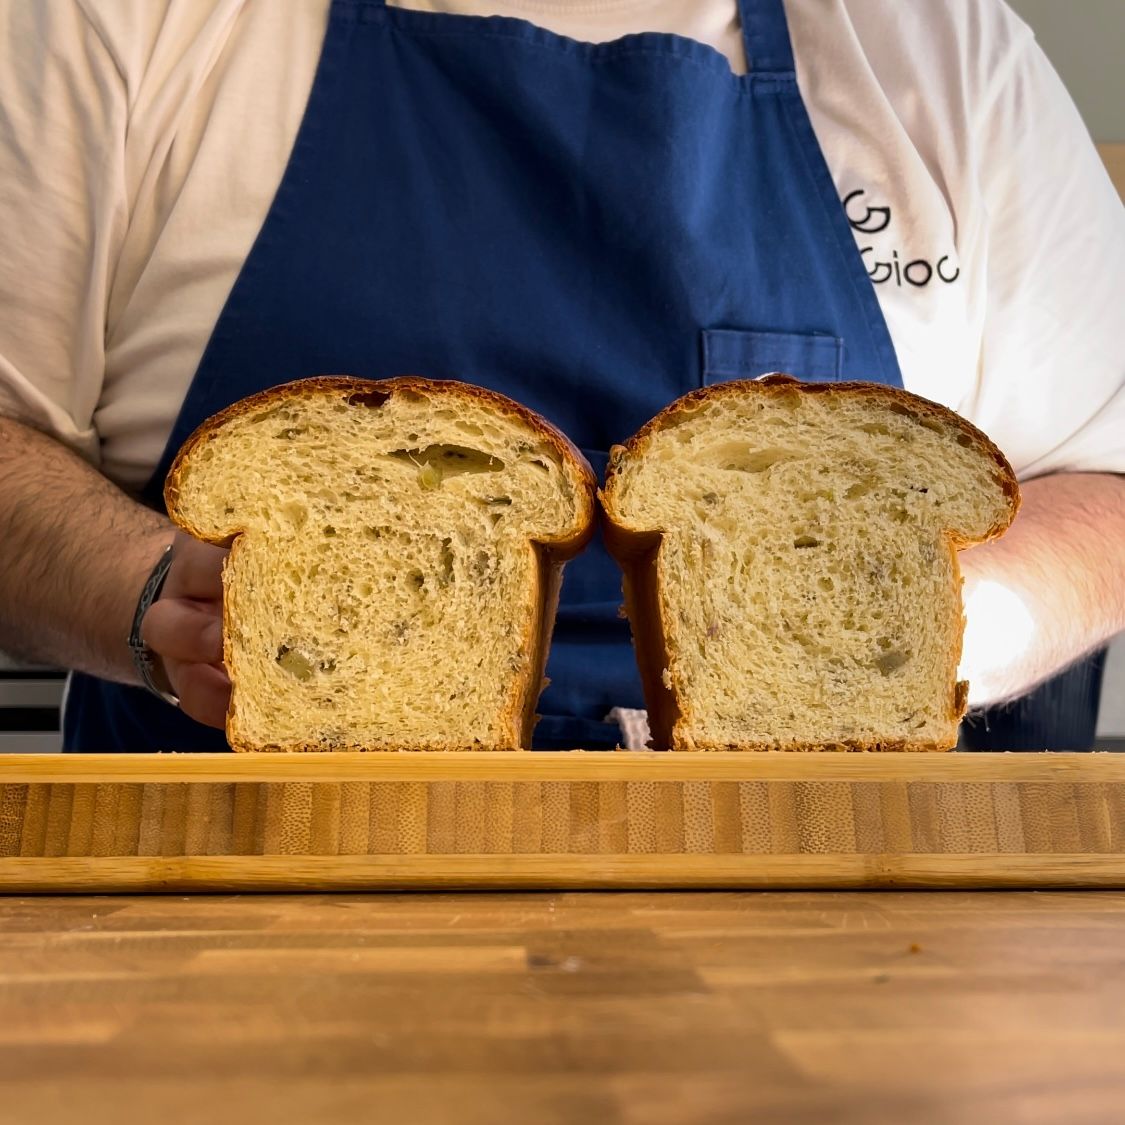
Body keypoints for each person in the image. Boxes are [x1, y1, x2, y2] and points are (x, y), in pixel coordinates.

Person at [0, 0, 1122, 752]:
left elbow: (1108, 476)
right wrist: (158, 600)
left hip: (823, 900)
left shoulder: (940, 49)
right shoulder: (132, 25)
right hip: (232, 890)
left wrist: (923, 626)